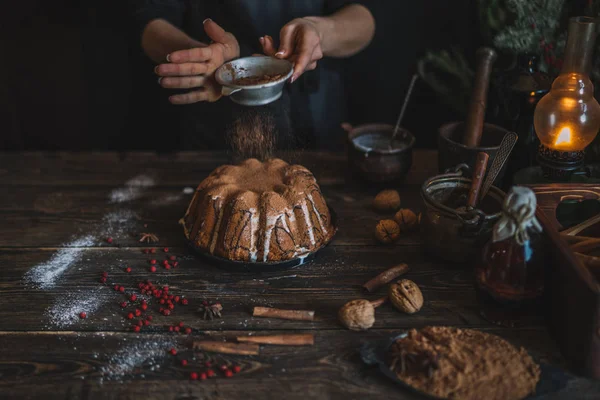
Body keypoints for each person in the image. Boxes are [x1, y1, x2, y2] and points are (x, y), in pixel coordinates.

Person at [129, 1, 375, 150]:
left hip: (320, 122)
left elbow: (364, 17)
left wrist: (318, 32)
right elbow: (150, 17)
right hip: (217, 121)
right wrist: (198, 55)